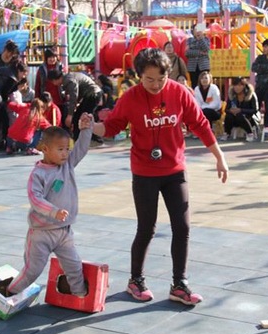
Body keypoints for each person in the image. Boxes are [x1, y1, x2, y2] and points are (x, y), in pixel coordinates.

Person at [91, 48, 229, 305]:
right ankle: (136, 280)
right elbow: (113, 126)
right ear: (139, 76)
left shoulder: (179, 92)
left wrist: (219, 157)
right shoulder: (130, 97)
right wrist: (92, 127)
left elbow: (200, 123)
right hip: (144, 172)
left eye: (161, 79)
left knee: (183, 226)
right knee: (147, 228)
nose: (155, 85)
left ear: (169, 75)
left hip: (175, 170)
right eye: (149, 79)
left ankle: (179, 284)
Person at [5, 121, 93, 298]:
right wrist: (54, 211)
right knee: (33, 270)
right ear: (45, 149)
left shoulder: (67, 166)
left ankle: (80, 295)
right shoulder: (38, 174)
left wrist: (86, 129)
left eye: (67, 149)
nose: (65, 153)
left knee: (74, 266)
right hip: (41, 233)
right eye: (60, 149)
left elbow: (81, 149)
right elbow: (35, 199)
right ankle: (8, 292)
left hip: (64, 231)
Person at [47, 69, 102, 141]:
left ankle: (81, 138)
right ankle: (84, 137)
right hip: (90, 94)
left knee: (83, 117)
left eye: (53, 81)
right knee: (79, 116)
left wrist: (70, 115)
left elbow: (74, 97)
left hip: (93, 95)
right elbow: (78, 93)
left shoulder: (69, 80)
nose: (54, 84)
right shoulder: (68, 77)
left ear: (55, 79)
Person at [223, 77, 260, 142]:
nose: (237, 87)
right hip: (235, 118)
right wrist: (231, 110)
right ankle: (227, 133)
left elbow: (255, 110)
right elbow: (226, 109)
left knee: (239, 115)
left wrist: (241, 110)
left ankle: (250, 133)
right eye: (235, 85)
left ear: (244, 86)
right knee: (229, 115)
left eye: (240, 85)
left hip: (249, 118)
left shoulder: (251, 94)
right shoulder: (232, 94)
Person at [34, 49, 63, 114]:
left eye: (54, 57)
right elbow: (38, 84)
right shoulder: (41, 69)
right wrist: (36, 97)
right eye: (50, 57)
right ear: (46, 58)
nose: (52, 59)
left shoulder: (61, 67)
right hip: (46, 98)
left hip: (59, 97)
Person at [185, 24, 210, 89]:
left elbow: (206, 49)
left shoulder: (206, 39)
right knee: (194, 84)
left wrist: (201, 38)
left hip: (203, 66)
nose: (197, 31)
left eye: (198, 29)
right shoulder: (189, 40)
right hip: (192, 67)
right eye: (195, 29)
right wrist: (200, 52)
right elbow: (187, 53)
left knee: (205, 84)